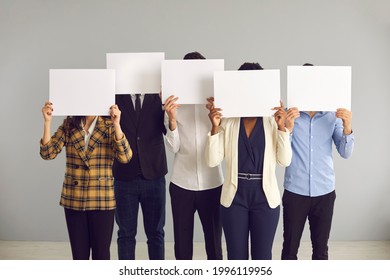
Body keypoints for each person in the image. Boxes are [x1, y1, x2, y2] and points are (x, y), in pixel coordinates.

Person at [205, 62, 292, 260]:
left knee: (263, 257)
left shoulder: (272, 121)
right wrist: (215, 127)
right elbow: (212, 160)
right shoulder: (228, 120)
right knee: (236, 258)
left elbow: (284, 161)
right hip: (235, 197)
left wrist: (282, 128)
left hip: (265, 197)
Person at [40, 102, 132, 260]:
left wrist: (117, 124)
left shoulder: (109, 125)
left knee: (101, 256)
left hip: (101, 199)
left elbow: (125, 156)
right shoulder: (69, 124)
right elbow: (48, 153)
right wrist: (47, 122)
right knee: (79, 256)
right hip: (74, 199)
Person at [281, 63, 355, 260]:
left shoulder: (333, 115)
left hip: (325, 192)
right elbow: (281, 153)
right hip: (295, 191)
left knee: (321, 251)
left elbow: (345, 152)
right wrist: (287, 128)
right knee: (289, 250)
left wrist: (347, 126)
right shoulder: (289, 115)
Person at [164, 51, 224, 260]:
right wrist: (172, 120)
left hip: (213, 183)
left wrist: (217, 120)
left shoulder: (218, 105)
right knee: (182, 245)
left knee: (215, 245)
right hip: (182, 184)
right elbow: (174, 147)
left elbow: (224, 147)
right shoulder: (174, 106)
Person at [113, 91, 168, 260]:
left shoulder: (159, 96)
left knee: (156, 233)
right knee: (125, 234)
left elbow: (169, 129)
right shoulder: (115, 97)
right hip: (124, 176)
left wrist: (168, 110)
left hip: (154, 175)